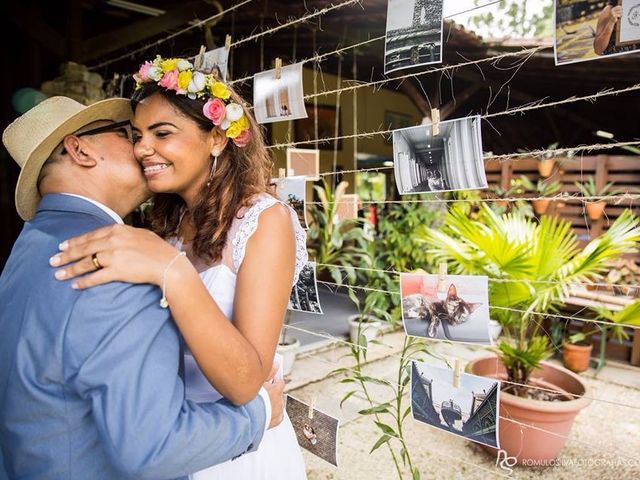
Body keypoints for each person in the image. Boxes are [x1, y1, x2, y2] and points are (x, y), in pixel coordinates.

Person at [0, 96, 285, 479]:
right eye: (128, 134)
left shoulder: (30, 246)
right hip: (191, 440)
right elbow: (152, 446)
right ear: (79, 149)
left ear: (216, 138)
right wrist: (262, 413)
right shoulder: (116, 258)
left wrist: (174, 272)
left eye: (159, 132)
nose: (140, 148)